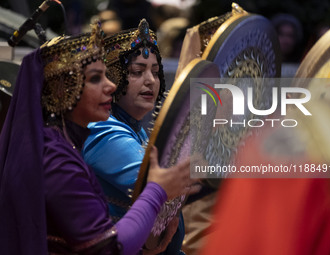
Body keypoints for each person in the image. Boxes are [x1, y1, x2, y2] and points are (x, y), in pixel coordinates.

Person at [0, 22, 198, 255]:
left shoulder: (64, 145)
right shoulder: (57, 160)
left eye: (155, 72)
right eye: (96, 78)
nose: (111, 86)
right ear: (64, 90)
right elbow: (109, 249)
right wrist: (156, 190)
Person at [82, 19, 189, 254]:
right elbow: (163, 184)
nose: (150, 80)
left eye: (156, 72)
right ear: (113, 80)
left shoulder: (135, 128)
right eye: (137, 72)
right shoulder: (101, 129)